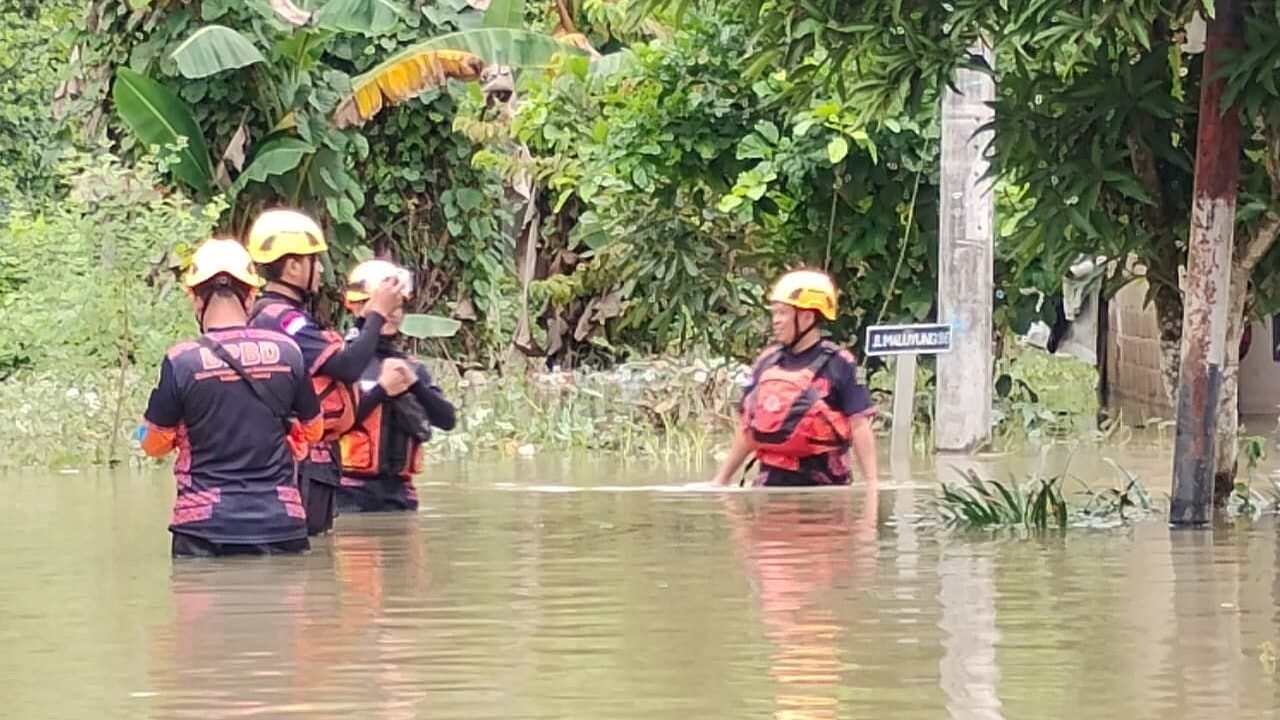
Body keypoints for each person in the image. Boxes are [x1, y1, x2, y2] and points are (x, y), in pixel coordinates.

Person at [140, 238, 324, 558]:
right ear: (251, 297)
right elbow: (315, 431)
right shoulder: (289, 352)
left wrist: (150, 432)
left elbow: (152, 445)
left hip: (205, 527)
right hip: (282, 521)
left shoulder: (182, 360)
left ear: (195, 300)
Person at [245, 208, 407, 536]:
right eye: (314, 261)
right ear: (292, 266)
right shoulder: (284, 321)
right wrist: (376, 313)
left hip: (308, 465)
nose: (320, 270)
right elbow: (348, 367)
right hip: (301, 466)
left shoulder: (275, 315)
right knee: (308, 555)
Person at [710, 269, 879, 488]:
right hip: (769, 486)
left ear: (808, 316)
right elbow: (748, 429)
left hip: (825, 488)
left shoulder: (840, 363)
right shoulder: (767, 362)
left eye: (783, 313)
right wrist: (720, 480)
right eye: (775, 313)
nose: (776, 321)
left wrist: (872, 487)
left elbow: (859, 426)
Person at [337, 259, 457, 513]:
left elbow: (447, 419)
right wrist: (381, 390)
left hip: (400, 496)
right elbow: (331, 423)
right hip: (348, 492)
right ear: (357, 306)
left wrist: (414, 385)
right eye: (387, 304)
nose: (392, 313)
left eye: (398, 306)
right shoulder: (343, 361)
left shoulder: (409, 366)